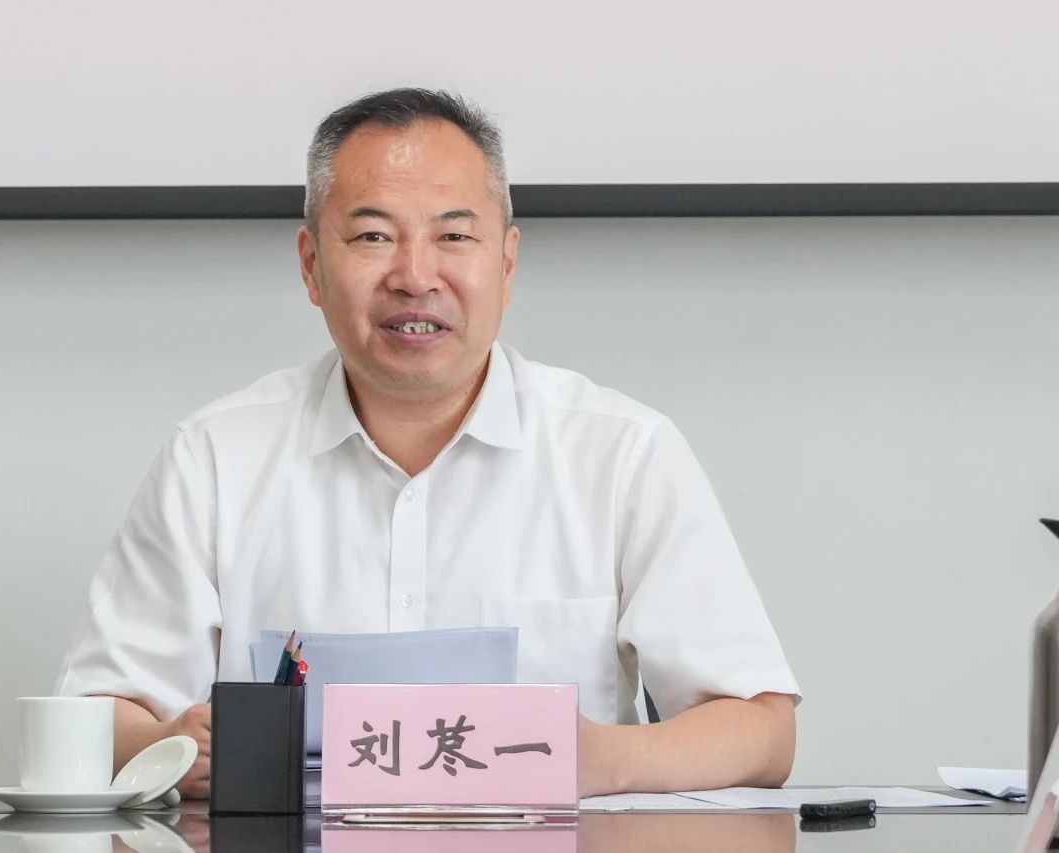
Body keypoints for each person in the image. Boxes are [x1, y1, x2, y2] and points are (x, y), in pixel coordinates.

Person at [57, 88, 800, 799]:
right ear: (312, 265)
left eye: (453, 236)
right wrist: (170, 746)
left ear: (506, 263)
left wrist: (597, 757)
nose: (415, 277)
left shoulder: (622, 453)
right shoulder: (214, 459)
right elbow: (96, 715)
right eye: (373, 236)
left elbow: (761, 730)